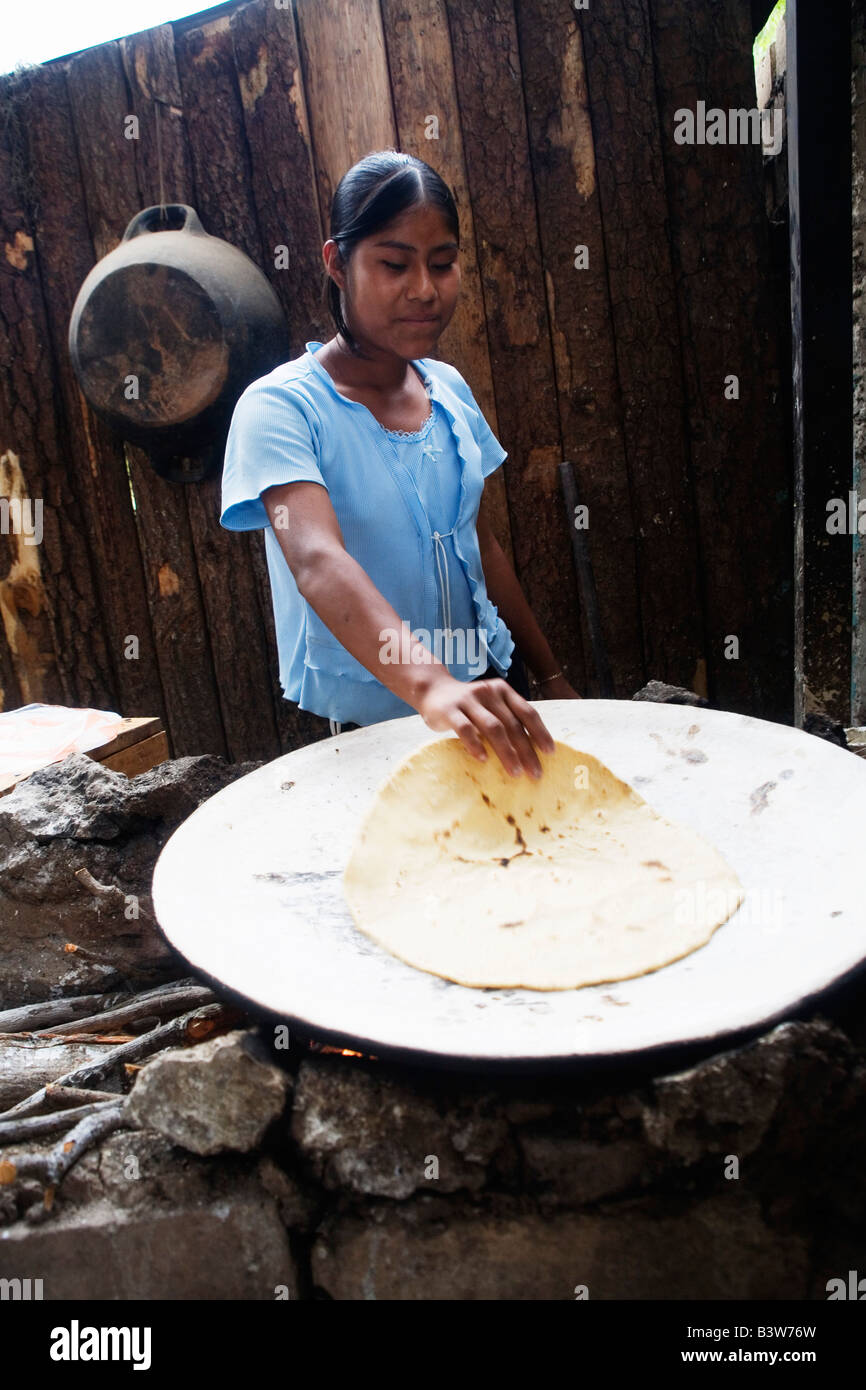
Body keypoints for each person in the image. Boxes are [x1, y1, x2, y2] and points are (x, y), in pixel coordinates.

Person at [220, 150, 581, 780]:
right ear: (336, 263)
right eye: (394, 264)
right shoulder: (280, 409)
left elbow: (482, 544)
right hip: (375, 730)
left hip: (487, 691)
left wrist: (550, 677)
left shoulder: (448, 390)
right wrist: (432, 687)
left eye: (442, 264)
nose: (424, 289)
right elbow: (317, 560)